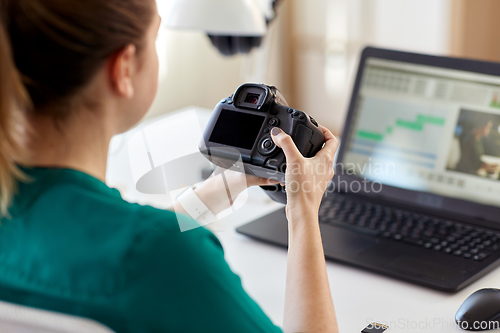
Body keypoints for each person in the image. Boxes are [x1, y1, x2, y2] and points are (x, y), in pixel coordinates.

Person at [0, 0, 339, 332]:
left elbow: (115, 241)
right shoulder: (161, 258)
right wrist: (303, 209)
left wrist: (226, 184)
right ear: (124, 69)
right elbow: (149, 251)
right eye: (155, 39)